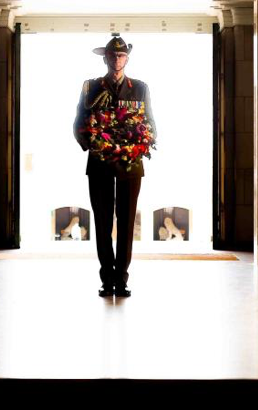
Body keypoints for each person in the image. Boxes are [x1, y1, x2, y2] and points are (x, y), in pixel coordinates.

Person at [72, 34, 157, 298]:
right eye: (112, 55)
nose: (116, 59)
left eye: (121, 55)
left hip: (130, 164)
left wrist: (143, 143)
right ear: (105, 58)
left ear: (127, 59)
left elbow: (150, 123)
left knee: (127, 220)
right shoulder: (91, 87)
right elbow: (79, 123)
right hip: (100, 163)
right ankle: (106, 278)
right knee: (102, 221)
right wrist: (93, 144)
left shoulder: (140, 88)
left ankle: (122, 278)